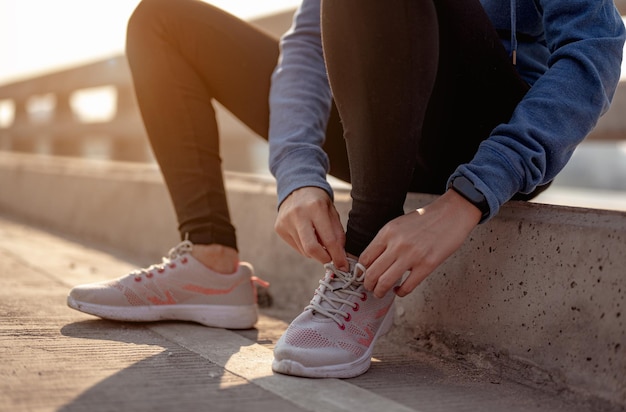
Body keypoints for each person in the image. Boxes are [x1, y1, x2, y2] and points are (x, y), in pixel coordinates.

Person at [67, 0, 625, 379]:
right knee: (161, 20)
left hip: (487, 132)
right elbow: (310, 44)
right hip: (378, 109)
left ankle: (360, 262)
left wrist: (468, 198)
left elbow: (593, 48)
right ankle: (210, 258)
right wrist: (297, 172)